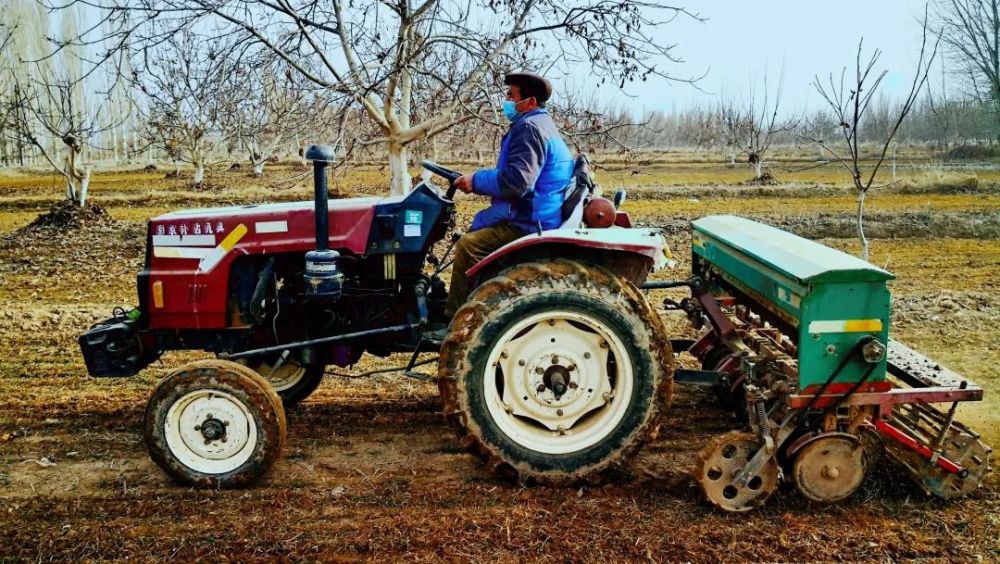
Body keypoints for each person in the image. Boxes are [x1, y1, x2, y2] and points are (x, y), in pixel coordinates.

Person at [429, 72, 574, 341]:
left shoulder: (529, 129)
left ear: (529, 102)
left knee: (469, 245)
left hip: (530, 220)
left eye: (511, 95)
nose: (505, 101)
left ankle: (455, 325)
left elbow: (518, 182)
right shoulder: (542, 125)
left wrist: (476, 180)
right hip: (537, 211)